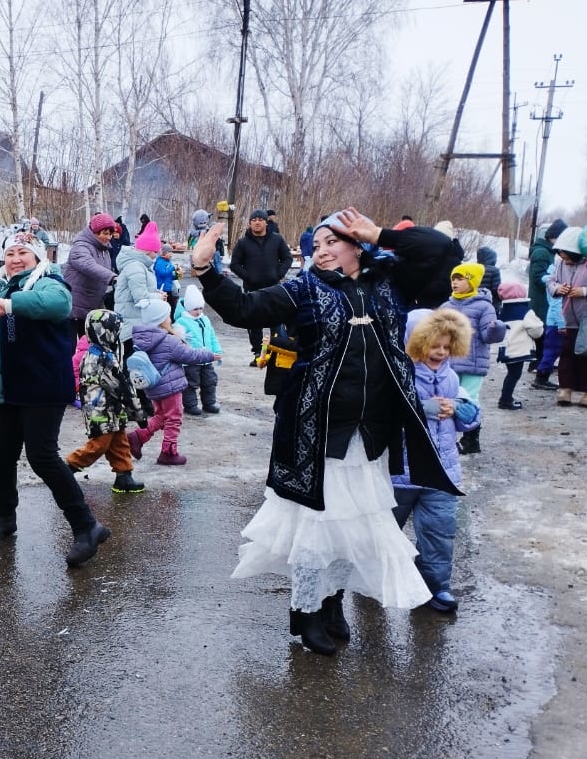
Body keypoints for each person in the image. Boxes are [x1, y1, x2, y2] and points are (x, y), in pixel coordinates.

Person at [190, 210, 462, 656]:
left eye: (330, 241)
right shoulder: (304, 290)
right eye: (314, 246)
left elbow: (445, 252)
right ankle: (307, 615)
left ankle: (333, 604)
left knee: (349, 529)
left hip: (370, 434)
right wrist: (205, 270)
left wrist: (383, 234)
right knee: (317, 531)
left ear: (356, 244)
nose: (320, 251)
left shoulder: (391, 283)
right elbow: (244, 310)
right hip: (315, 433)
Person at [0, 231, 111, 568]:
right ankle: (4, 517)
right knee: (1, 454)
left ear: (38, 257)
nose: (15, 259)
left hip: (43, 385)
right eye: (10, 253)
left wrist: (10, 305)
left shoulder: (50, 280)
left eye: (23, 253)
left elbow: (57, 305)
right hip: (8, 387)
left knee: (41, 456)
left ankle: (87, 526)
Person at [393, 308, 479, 615]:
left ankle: (436, 585)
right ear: (415, 343)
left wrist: (459, 409)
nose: (440, 352)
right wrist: (419, 409)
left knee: (440, 532)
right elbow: (381, 420)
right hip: (400, 473)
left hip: (442, 474)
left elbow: (471, 418)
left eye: (446, 346)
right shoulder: (397, 376)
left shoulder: (452, 378)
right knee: (386, 532)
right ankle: (375, 579)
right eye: (433, 345)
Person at [65, 308, 148, 493]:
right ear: (107, 333)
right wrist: (139, 414)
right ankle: (66, 469)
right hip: (100, 411)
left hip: (110, 410)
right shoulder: (102, 358)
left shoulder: (98, 352)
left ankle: (124, 476)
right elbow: (121, 388)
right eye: (115, 331)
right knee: (98, 445)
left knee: (119, 442)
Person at [128, 296, 213, 465]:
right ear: (161, 320)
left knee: (161, 415)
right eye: (167, 316)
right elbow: (190, 356)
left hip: (154, 387)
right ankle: (168, 452)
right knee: (174, 417)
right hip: (170, 387)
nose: (170, 318)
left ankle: (138, 436)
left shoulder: (144, 338)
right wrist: (209, 354)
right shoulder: (167, 340)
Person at [444, 262, 505, 453]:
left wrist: (497, 329)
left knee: (469, 398)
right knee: (448, 397)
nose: (455, 282)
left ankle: (471, 439)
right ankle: (449, 437)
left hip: (473, 362)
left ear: (472, 282)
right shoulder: (446, 305)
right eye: (453, 278)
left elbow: (489, 336)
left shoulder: (484, 307)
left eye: (460, 278)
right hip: (448, 361)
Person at [548, 225, 587, 409]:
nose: (562, 257)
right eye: (559, 253)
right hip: (570, 317)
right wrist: (558, 289)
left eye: (565, 253)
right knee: (567, 353)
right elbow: (551, 281)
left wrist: (585, 291)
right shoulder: (561, 264)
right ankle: (565, 388)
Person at [230, 209, 293, 364]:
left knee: (276, 322)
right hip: (252, 290)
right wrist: (248, 276)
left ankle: (276, 352)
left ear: (266, 222)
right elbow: (235, 264)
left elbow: (287, 258)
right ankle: (258, 354)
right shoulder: (243, 242)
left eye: (260, 219)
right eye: (253, 219)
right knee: (254, 323)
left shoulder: (277, 239)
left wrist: (278, 274)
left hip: (274, 288)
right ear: (250, 223)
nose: (257, 222)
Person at [112, 221, 166, 353]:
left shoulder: (139, 266)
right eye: (155, 251)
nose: (156, 255)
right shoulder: (136, 267)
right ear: (148, 251)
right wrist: (159, 297)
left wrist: (154, 292)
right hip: (132, 327)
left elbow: (140, 289)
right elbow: (140, 298)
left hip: (136, 323)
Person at [64, 213, 118, 338]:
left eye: (110, 234)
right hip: (75, 309)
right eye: (105, 233)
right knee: (72, 349)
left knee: (87, 348)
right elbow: (89, 265)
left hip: (91, 308)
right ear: (94, 232)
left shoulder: (104, 250)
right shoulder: (80, 247)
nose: (109, 237)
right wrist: (113, 278)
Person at [172, 285, 223, 416]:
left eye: (201, 308)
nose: (198, 311)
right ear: (188, 308)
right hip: (191, 360)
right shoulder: (182, 321)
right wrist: (181, 337)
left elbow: (212, 336)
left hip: (207, 358)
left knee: (210, 381)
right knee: (190, 383)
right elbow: (177, 341)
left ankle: (209, 403)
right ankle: (190, 405)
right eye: (195, 309)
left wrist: (217, 351)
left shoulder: (205, 319)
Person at [529, 220, 567, 389]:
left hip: (547, 297)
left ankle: (540, 364)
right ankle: (538, 366)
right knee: (543, 333)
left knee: (545, 334)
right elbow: (538, 277)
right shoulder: (542, 253)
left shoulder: (548, 251)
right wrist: (554, 283)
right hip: (542, 299)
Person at [495, 281, 539, 410]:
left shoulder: (502, 311)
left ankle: (506, 398)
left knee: (511, 374)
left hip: (506, 349)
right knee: (514, 375)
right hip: (519, 349)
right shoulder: (525, 311)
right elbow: (536, 329)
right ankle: (505, 400)